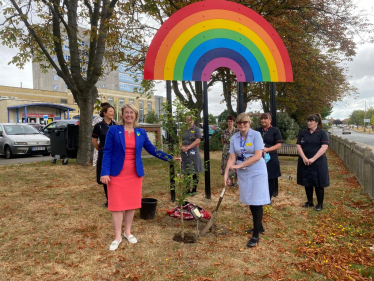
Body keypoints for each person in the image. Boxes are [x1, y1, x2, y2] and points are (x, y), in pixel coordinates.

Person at [100, 104, 179, 251]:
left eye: (132, 113)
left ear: (136, 115)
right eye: (126, 112)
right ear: (122, 115)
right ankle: (117, 236)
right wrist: (104, 172)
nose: (129, 115)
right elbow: (107, 151)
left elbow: (152, 150)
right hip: (116, 173)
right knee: (117, 205)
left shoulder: (141, 132)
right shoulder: (113, 130)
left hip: (134, 174)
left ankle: (127, 232)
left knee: (130, 204)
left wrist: (170, 158)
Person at [224, 113, 270, 248]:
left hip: (256, 171)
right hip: (244, 172)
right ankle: (259, 226)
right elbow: (232, 157)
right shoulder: (234, 138)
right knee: (250, 199)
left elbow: (257, 156)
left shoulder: (256, 135)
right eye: (239, 123)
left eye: (244, 122)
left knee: (257, 202)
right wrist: (226, 173)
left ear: (249, 123)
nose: (241, 125)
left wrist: (239, 166)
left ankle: (256, 235)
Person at [296, 113, 329, 211]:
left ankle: (320, 204)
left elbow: (324, 147)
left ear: (316, 122)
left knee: (318, 183)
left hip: (318, 162)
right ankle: (309, 201)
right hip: (305, 161)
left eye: (311, 121)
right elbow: (298, 145)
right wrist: (304, 158)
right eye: (308, 121)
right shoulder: (303, 132)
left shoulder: (322, 133)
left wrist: (313, 159)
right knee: (307, 182)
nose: (309, 123)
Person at [92, 103, 116, 207]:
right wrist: (100, 149)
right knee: (105, 176)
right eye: (110, 111)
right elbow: (94, 140)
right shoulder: (98, 126)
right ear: (104, 113)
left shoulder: (115, 125)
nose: (112, 113)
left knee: (114, 176)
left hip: (114, 154)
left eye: (113, 111)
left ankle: (116, 197)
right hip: (104, 153)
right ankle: (109, 199)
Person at [255, 113, 283, 200]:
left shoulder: (275, 131)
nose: (263, 120)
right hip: (258, 158)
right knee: (259, 178)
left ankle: (268, 198)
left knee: (270, 178)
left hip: (271, 158)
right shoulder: (257, 131)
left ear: (270, 120)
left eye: (265, 119)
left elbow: (278, 145)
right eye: (262, 119)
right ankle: (260, 196)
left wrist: (267, 149)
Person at [181, 116, 204, 195]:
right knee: (186, 170)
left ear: (193, 120)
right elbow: (179, 140)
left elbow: (198, 140)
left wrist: (188, 147)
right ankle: (187, 189)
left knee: (195, 171)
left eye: (190, 119)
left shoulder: (196, 129)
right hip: (184, 153)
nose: (189, 121)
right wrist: (181, 147)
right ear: (185, 120)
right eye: (187, 119)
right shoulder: (183, 129)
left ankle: (194, 189)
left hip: (194, 152)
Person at [221, 115, 238, 186]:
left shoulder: (237, 131)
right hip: (226, 151)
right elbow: (223, 141)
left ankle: (236, 181)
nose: (230, 123)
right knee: (227, 165)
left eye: (231, 121)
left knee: (235, 165)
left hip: (235, 151)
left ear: (233, 122)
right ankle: (229, 181)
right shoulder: (224, 132)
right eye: (228, 121)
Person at [92, 102, 110, 167]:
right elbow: (94, 134)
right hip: (100, 142)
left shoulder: (112, 120)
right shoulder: (97, 120)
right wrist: (98, 147)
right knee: (99, 161)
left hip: (109, 143)